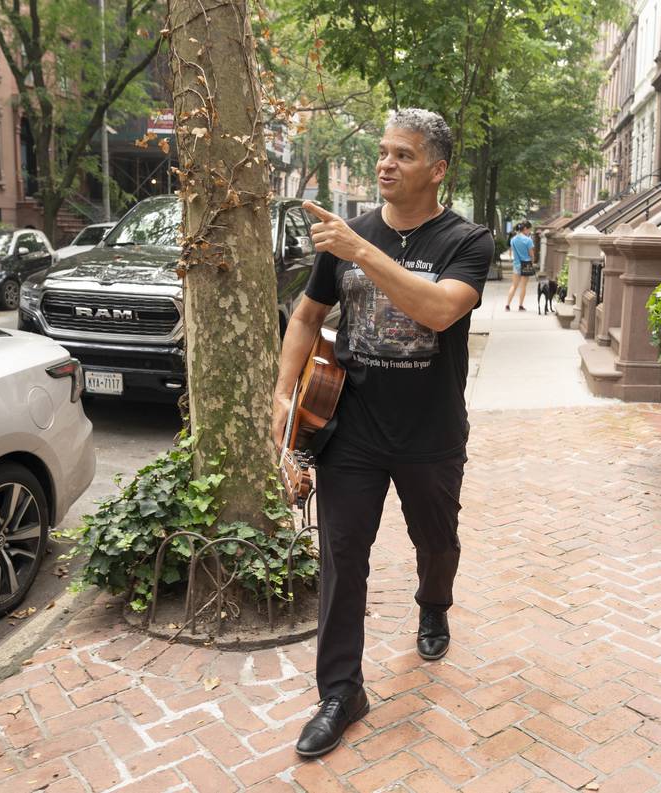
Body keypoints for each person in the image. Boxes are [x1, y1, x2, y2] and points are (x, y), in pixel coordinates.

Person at [270, 108, 494, 760]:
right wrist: (283, 394)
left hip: (431, 433)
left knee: (436, 540)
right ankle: (341, 691)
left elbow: (440, 307)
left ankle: (433, 602)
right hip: (354, 432)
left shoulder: (466, 240)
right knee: (342, 560)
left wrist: (361, 251)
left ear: (437, 169)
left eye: (402, 154)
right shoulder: (350, 236)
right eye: (383, 151)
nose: (386, 163)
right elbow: (307, 317)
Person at [505, 221, 534, 311]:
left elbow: (513, 251)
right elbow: (531, 254)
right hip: (526, 265)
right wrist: (532, 262)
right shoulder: (528, 240)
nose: (529, 232)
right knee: (523, 286)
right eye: (529, 230)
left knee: (514, 285)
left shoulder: (513, 240)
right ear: (525, 229)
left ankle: (507, 305)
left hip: (516, 264)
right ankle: (520, 305)